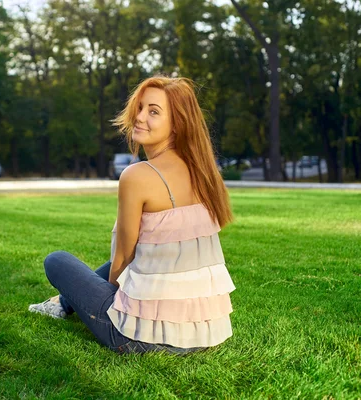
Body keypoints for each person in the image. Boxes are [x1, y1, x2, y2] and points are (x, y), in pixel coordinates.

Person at [28, 75, 235, 355]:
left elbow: (124, 257)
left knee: (57, 261)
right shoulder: (203, 172)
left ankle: (62, 303)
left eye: (153, 111)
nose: (139, 117)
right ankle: (60, 304)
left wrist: (109, 298)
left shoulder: (137, 176)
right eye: (139, 108)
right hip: (205, 333)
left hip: (139, 337)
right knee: (125, 259)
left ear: (178, 124)